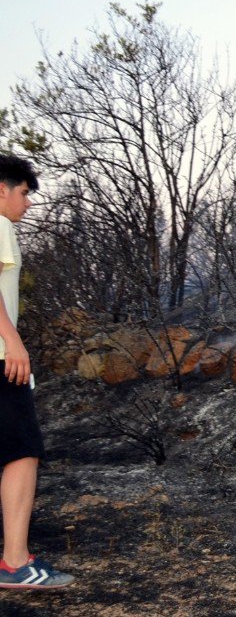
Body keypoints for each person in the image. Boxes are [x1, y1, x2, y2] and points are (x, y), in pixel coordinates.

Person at [0, 156, 74, 590]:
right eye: (24, 193)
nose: (27, 204)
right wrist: (12, 341)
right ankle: (14, 563)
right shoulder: (0, 226)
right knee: (22, 452)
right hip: (0, 358)